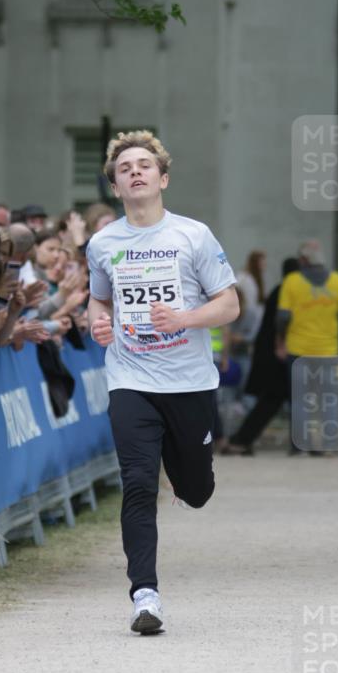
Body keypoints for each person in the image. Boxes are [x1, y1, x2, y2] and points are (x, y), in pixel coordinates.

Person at [86, 129, 239, 634]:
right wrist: (97, 320)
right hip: (130, 378)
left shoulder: (192, 235)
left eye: (144, 165)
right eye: (125, 167)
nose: (135, 171)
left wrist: (185, 319)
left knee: (197, 490)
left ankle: (183, 470)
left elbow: (229, 304)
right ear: (115, 185)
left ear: (163, 178)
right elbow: (99, 299)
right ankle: (145, 596)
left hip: (190, 380)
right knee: (136, 483)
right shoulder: (103, 243)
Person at [276, 240, 338, 454]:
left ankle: (300, 445)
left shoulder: (292, 282)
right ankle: (330, 445)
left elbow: (282, 317)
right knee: (330, 399)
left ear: (303, 260)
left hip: (298, 350)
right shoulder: (337, 281)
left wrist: (280, 341)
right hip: (329, 351)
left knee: (300, 399)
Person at [223, 257, 299, 454]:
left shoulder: (278, 290)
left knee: (271, 400)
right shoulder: (289, 291)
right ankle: (241, 439)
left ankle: (242, 439)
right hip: (278, 356)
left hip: (269, 355)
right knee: (274, 399)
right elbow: (282, 322)